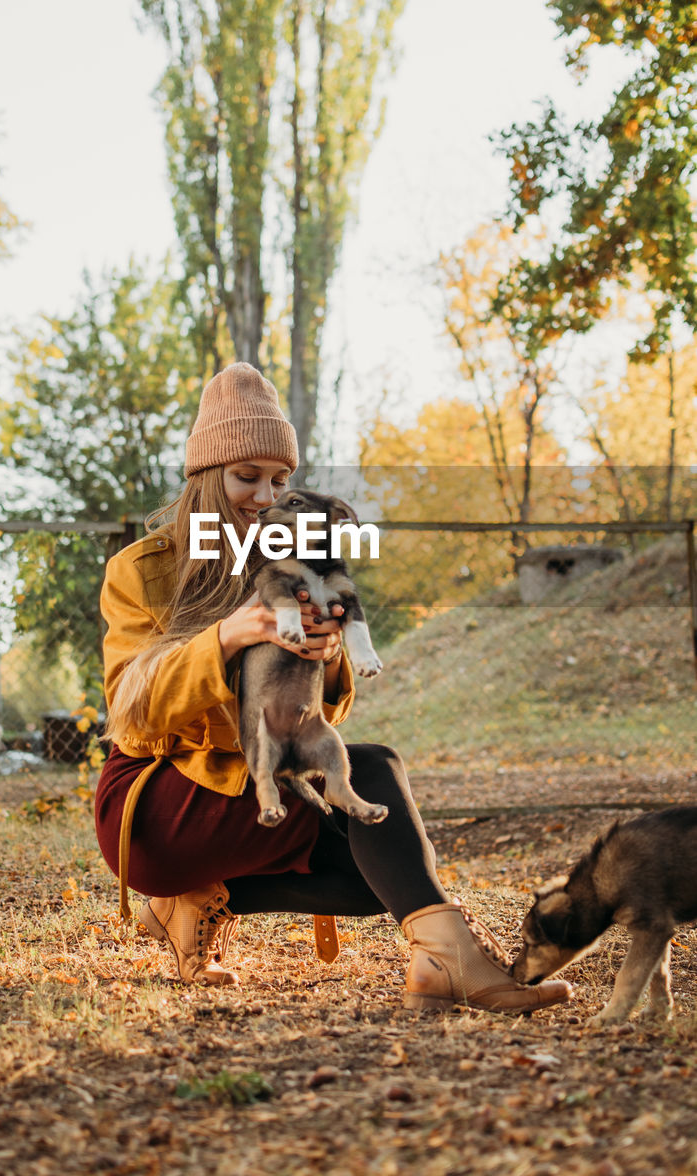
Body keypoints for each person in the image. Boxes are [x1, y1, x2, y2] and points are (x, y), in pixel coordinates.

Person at [94, 363, 572, 1013]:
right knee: (372, 772)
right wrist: (226, 638)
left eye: (279, 480)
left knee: (385, 871)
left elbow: (328, 708)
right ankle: (453, 961)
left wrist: (326, 657)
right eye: (247, 477)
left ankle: (201, 903)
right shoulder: (143, 568)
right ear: (207, 476)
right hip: (153, 807)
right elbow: (132, 713)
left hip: (250, 781)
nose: (265, 497)